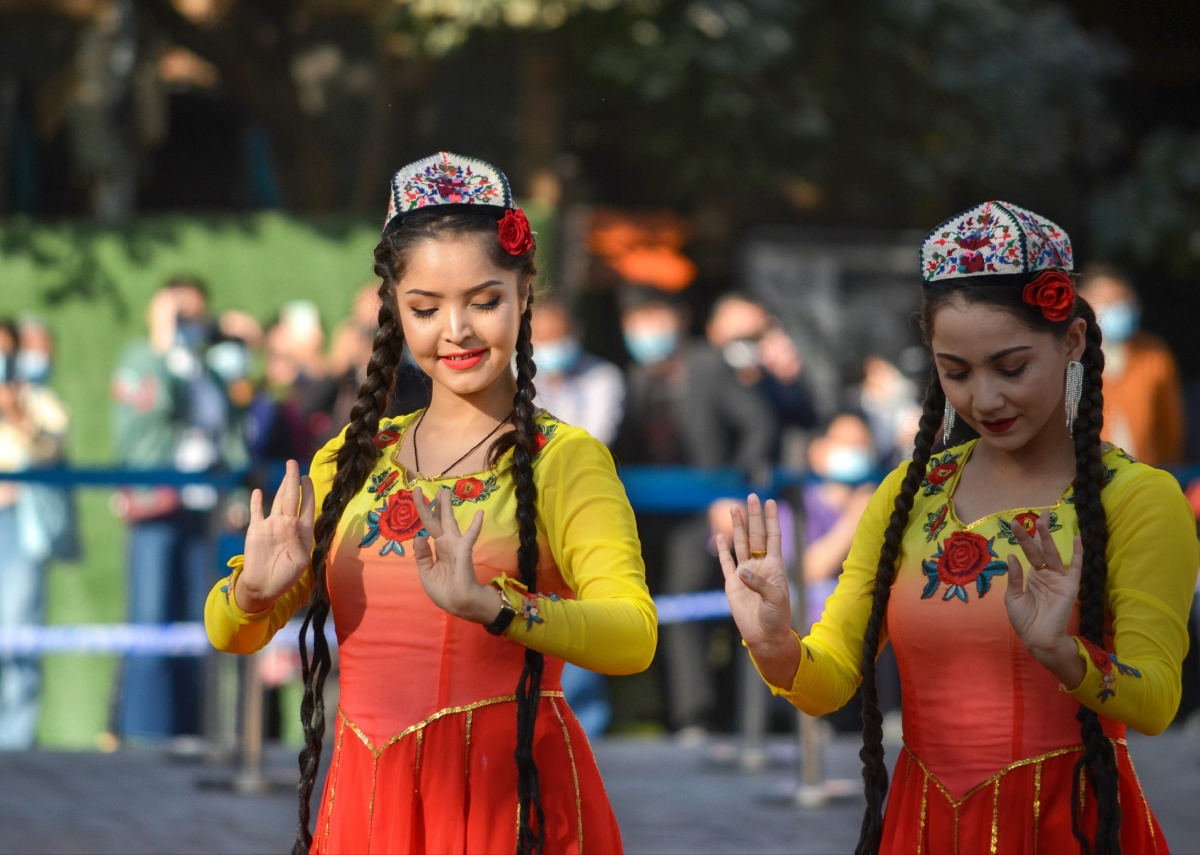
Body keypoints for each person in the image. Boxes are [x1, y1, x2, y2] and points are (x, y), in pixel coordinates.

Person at [204, 152, 656, 855]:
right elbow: (230, 631)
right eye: (425, 307)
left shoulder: (565, 461)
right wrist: (254, 591)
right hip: (367, 802)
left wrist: (498, 609)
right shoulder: (351, 458)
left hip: (506, 802)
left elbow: (634, 634)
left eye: (484, 300)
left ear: (525, 293)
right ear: (392, 306)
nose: (457, 331)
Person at [721, 201, 1198, 854]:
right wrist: (775, 641)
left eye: (1011, 367)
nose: (984, 399)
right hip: (922, 828)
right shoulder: (908, 492)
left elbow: (1156, 699)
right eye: (956, 372)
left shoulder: (1138, 499)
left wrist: (1065, 652)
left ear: (1073, 342)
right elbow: (831, 674)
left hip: (1068, 826)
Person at [110, 276, 246, 742]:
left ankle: (194, 732)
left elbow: (229, 438)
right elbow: (150, 418)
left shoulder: (208, 373)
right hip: (155, 510)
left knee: (198, 623)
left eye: (195, 315)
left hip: (202, 513)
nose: (190, 323)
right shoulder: (140, 362)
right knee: (150, 625)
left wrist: (235, 499)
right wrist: (165, 347)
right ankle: (145, 734)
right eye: (179, 313)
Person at [0, 318, 70, 749]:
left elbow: (53, 446)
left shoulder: (39, 401)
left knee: (19, 631)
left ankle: (14, 738)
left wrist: (18, 413)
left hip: (21, 526)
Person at [1077, 264, 1186, 467]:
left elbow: (1171, 428)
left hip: (1148, 478)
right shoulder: (1070, 360)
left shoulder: (1154, 355)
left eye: (1123, 302)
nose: (1117, 310)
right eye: (1107, 303)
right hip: (1085, 483)